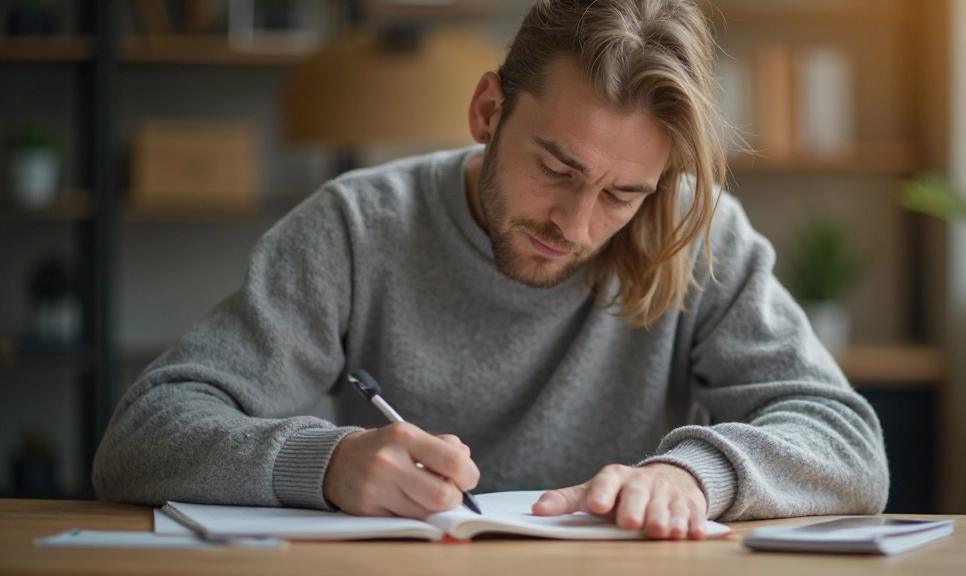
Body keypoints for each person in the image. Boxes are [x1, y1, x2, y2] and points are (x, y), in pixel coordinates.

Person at [93, 0, 889, 540]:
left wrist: (697, 473)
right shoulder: (356, 227)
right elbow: (141, 436)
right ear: (487, 111)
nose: (575, 227)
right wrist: (324, 464)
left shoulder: (697, 232)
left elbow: (850, 447)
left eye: (622, 194)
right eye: (557, 167)